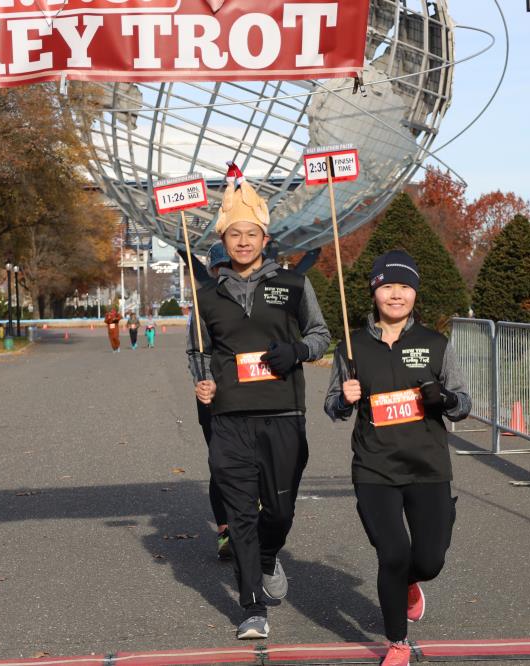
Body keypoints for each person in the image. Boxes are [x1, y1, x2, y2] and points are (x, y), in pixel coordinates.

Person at [188, 161, 330, 641]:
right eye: (235, 234)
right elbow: (197, 351)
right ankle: (251, 606)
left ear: (265, 238)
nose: (243, 241)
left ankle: (268, 556)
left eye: (251, 234)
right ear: (224, 240)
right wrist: (203, 383)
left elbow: (320, 334)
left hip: (283, 414)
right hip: (230, 418)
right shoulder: (207, 297)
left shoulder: (293, 285)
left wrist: (299, 352)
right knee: (241, 515)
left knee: (280, 512)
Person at [324, 249, 470, 666]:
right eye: (387, 286)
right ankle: (397, 644)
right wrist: (344, 399)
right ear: (374, 291)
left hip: (428, 467)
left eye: (404, 286)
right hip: (375, 468)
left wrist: (445, 399)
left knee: (429, 560)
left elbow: (463, 403)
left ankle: (409, 582)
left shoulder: (435, 344)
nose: (396, 294)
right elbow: (333, 406)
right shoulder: (352, 346)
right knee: (392, 554)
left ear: (415, 293)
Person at [193, 241, 234, 560]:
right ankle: (225, 531)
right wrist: (207, 383)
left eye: (229, 267)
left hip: (251, 391)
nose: (224, 273)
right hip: (212, 393)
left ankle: (249, 520)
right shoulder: (203, 303)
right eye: (220, 268)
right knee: (220, 462)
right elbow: (196, 352)